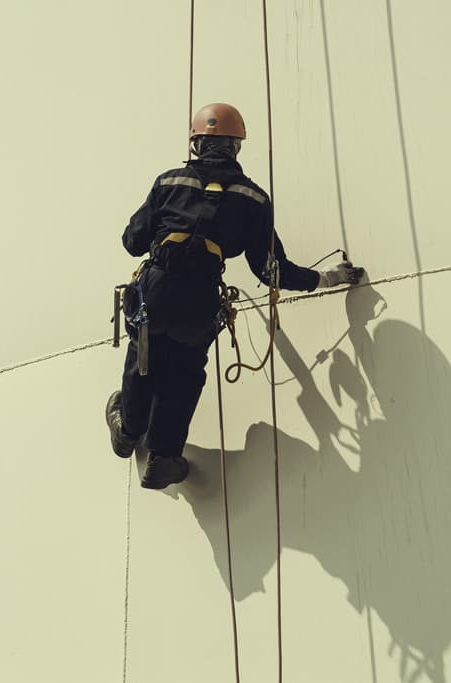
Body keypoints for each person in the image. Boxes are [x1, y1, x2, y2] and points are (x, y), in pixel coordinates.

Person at [105, 102, 364, 489]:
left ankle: (127, 429)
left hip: (157, 289)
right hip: (199, 299)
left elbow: (132, 241)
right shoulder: (253, 198)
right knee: (184, 372)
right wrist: (328, 278)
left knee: (143, 354)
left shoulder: (169, 182)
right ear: (236, 147)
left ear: (196, 143)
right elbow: (271, 270)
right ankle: (162, 457)